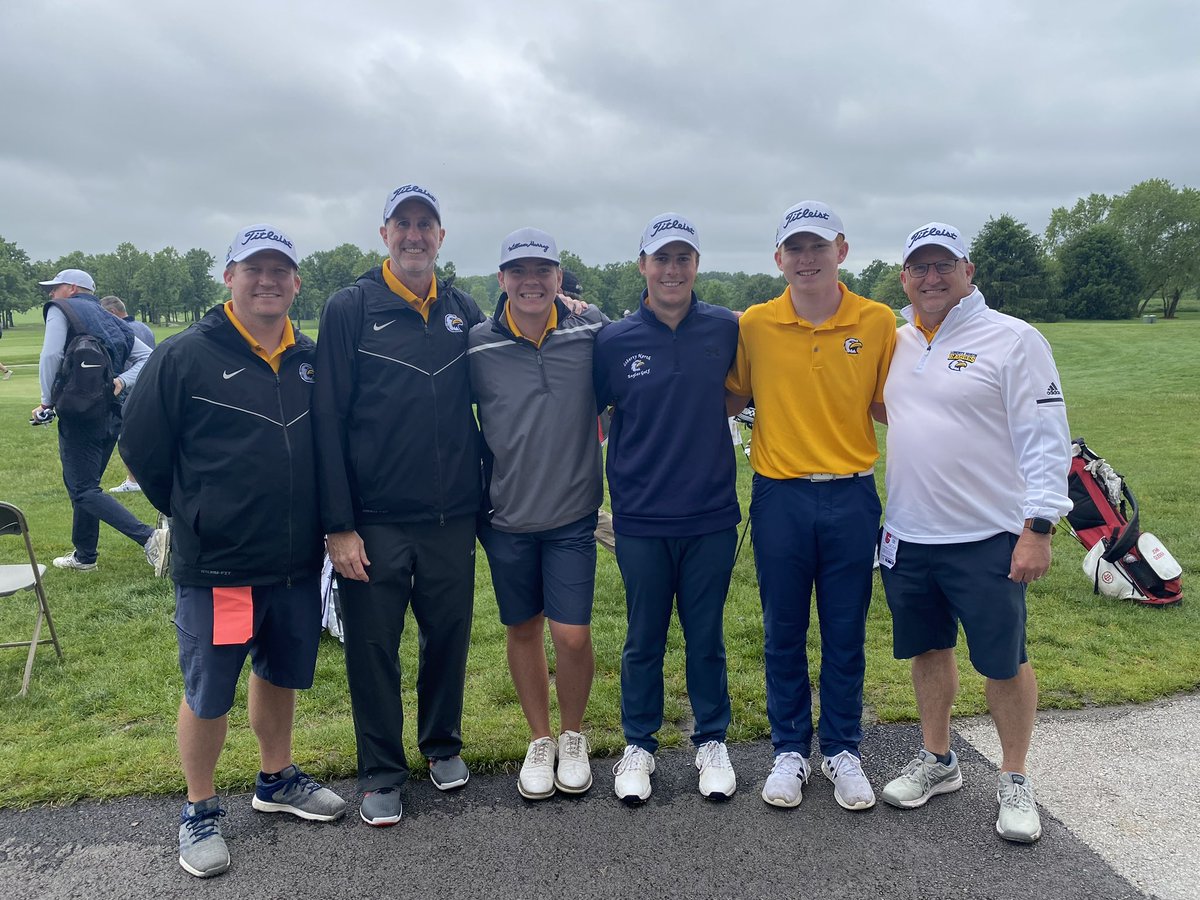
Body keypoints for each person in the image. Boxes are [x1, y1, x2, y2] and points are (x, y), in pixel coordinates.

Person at [121, 225, 346, 879]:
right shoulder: (186, 353)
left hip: (295, 562)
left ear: (297, 282)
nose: (268, 280)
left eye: (281, 270)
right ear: (230, 277)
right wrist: (193, 510)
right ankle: (198, 810)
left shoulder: (308, 358)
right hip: (221, 566)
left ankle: (275, 780)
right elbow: (142, 448)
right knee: (209, 692)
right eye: (254, 269)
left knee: (279, 673)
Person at [876, 222, 1071, 844]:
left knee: (1003, 660)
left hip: (989, 534)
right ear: (904, 275)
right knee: (928, 651)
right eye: (919, 267)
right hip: (908, 532)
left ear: (969, 270)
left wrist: (1039, 526)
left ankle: (1014, 777)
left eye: (944, 266)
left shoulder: (1014, 339)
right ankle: (939, 759)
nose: (931, 278)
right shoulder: (897, 339)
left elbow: (1046, 437)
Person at [313, 184, 484, 826]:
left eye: (426, 225)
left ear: (441, 237)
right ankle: (381, 771)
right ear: (385, 234)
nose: (415, 235)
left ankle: (442, 745)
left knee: (449, 636)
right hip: (374, 522)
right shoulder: (351, 307)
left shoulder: (463, 309)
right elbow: (326, 419)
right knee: (372, 648)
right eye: (403, 224)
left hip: (450, 517)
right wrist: (339, 525)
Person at [725, 201, 896, 812]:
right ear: (778, 259)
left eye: (818, 247)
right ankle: (790, 750)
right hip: (780, 494)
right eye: (794, 249)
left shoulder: (877, 322)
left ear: (842, 251)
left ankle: (843, 748)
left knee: (846, 629)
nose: (806, 259)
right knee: (784, 629)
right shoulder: (754, 325)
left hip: (851, 493)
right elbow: (729, 395)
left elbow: (894, 405)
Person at [593, 213, 741, 804]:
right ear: (642, 266)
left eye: (683, 259)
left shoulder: (728, 329)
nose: (672, 270)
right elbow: (594, 415)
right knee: (643, 635)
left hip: (709, 514)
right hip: (640, 516)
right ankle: (640, 745)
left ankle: (712, 740)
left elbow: (741, 394)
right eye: (662, 259)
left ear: (696, 266)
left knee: (705, 634)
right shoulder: (614, 340)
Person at [469, 228, 607, 800]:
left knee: (572, 636)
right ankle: (539, 738)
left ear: (558, 277)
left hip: (573, 516)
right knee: (522, 629)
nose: (531, 281)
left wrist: (589, 306)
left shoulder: (592, 331)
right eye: (518, 271)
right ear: (502, 280)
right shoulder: (476, 345)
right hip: (507, 517)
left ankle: (573, 735)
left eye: (543, 270)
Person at [32, 268, 167, 573]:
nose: (51, 294)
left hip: (79, 413)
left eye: (55, 287)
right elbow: (147, 357)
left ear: (71, 288)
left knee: (82, 488)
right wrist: (120, 381)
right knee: (85, 485)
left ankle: (149, 538)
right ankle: (85, 556)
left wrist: (46, 401)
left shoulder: (62, 308)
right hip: (110, 413)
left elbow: (50, 355)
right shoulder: (112, 320)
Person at [100, 295, 154, 494]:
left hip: (126, 388)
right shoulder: (144, 327)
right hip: (149, 386)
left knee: (125, 437)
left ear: (112, 313)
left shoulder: (121, 331)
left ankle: (133, 480)